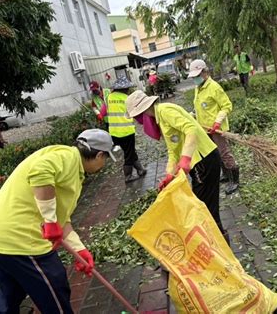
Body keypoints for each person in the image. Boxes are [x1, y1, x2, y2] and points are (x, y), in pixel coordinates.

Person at [0, 129, 116, 314]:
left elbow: (62, 220)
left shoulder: (73, 170)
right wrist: (49, 221)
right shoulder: (67, 157)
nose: (103, 164)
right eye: (105, 159)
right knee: (55, 289)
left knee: (12, 295)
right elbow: (40, 172)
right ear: (99, 154)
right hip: (20, 239)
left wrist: (79, 249)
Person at [124, 90, 229, 241]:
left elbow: (190, 129)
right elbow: (172, 150)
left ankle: (221, 249)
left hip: (203, 160)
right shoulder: (159, 118)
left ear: (141, 111)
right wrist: (169, 175)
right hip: (199, 164)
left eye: (135, 117)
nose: (137, 121)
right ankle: (219, 246)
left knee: (206, 211)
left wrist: (185, 158)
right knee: (205, 209)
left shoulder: (165, 111)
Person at [189, 59, 239, 195]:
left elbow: (227, 105)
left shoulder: (214, 87)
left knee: (224, 153)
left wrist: (217, 122)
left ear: (205, 72)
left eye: (197, 76)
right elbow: (199, 107)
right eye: (193, 77)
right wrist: (192, 114)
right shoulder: (197, 88)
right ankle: (225, 174)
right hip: (205, 128)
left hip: (217, 129)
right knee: (215, 153)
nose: (195, 79)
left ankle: (234, 180)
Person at [100, 76, 147, 183]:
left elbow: (102, 113)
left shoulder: (108, 98)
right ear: (124, 89)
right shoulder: (127, 99)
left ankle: (140, 170)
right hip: (127, 132)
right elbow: (136, 115)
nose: (128, 90)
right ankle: (128, 176)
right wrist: (144, 122)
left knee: (129, 151)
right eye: (127, 88)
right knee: (129, 154)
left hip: (114, 133)